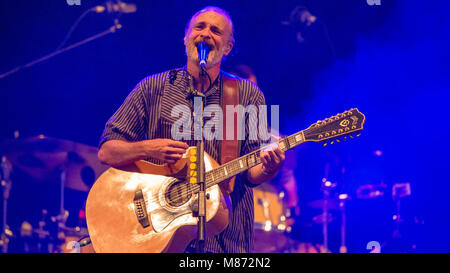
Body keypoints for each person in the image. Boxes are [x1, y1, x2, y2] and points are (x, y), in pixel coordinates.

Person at [97, 6, 285, 253]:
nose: (206, 34)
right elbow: (107, 152)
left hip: (226, 241)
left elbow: (253, 173)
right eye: (200, 27)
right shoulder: (152, 88)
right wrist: (147, 147)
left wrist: (270, 167)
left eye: (216, 31)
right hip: (158, 237)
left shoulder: (249, 95)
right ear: (186, 38)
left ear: (227, 47)